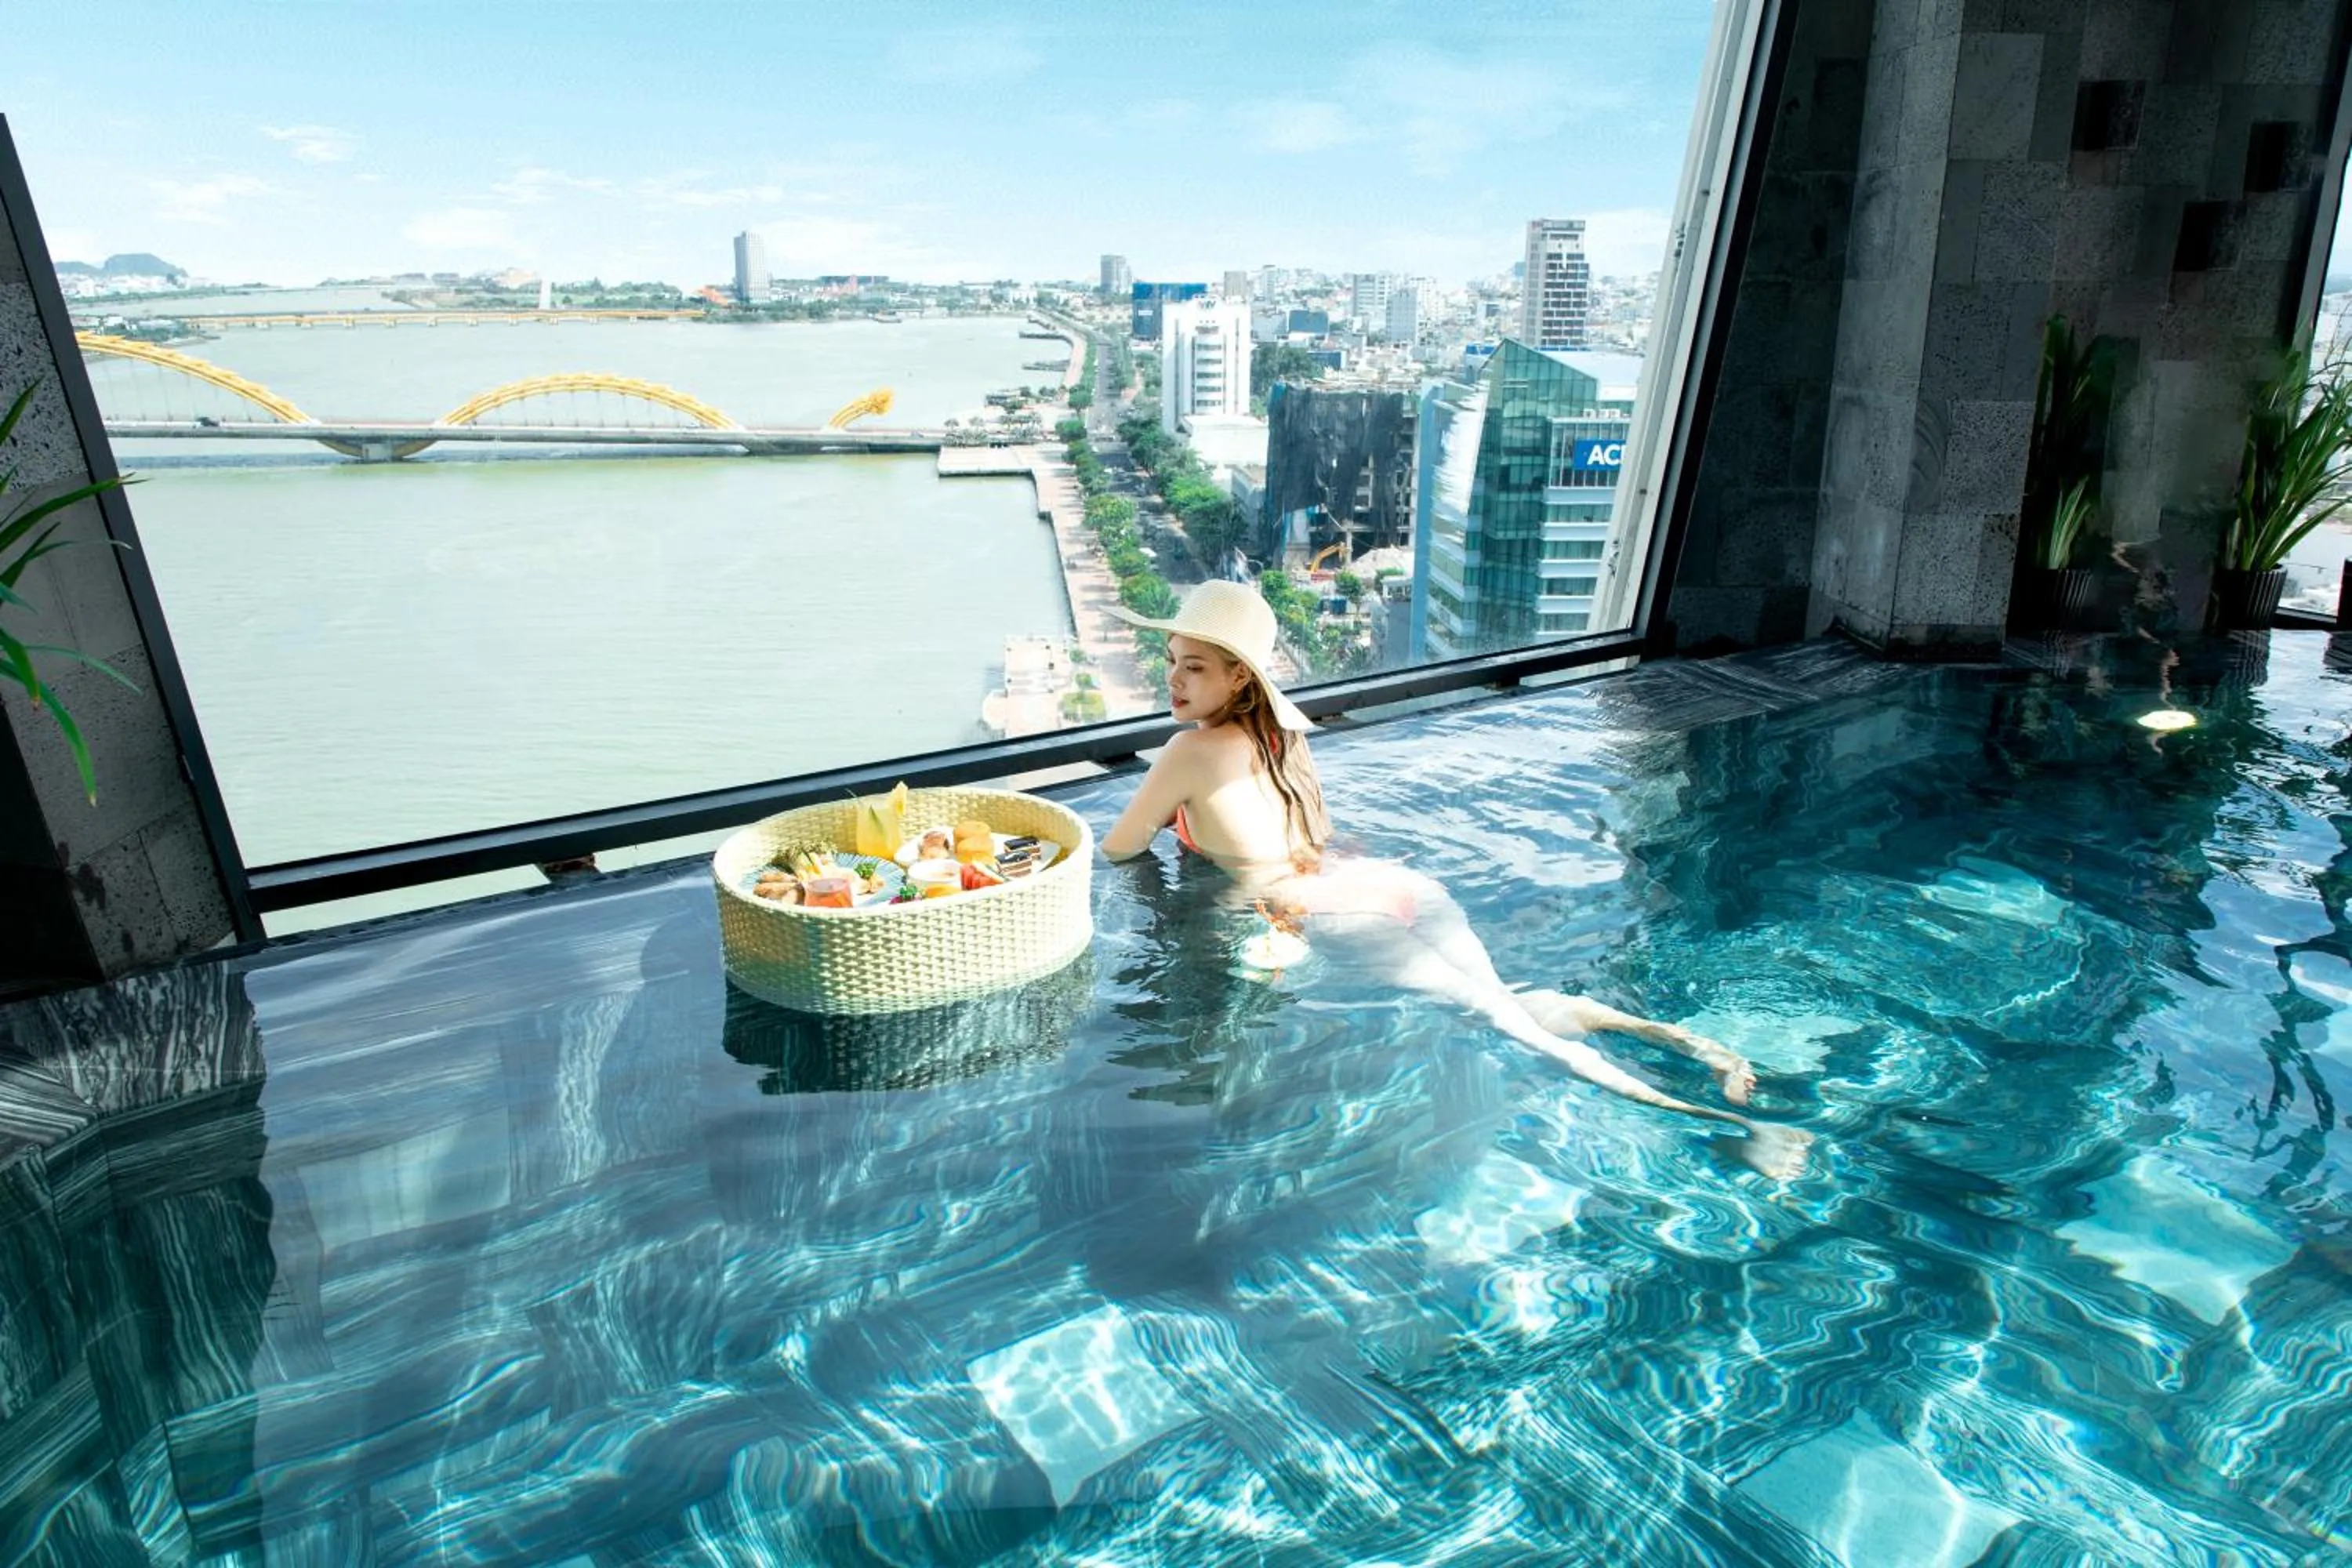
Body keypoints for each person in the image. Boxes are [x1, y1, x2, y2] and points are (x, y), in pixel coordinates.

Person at [1099, 579, 1813, 1178]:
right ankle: (1700, 1048)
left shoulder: (1186, 752)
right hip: (1389, 885)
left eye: (1194, 666)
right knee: (1504, 1000)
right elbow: (1314, 834)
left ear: (1238, 678)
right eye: (1171, 660)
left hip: (1335, 914)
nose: (1173, 678)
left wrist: (1180, 824)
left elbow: (1118, 849)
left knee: (1506, 1024)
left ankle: (1727, 1122)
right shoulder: (1282, 737)